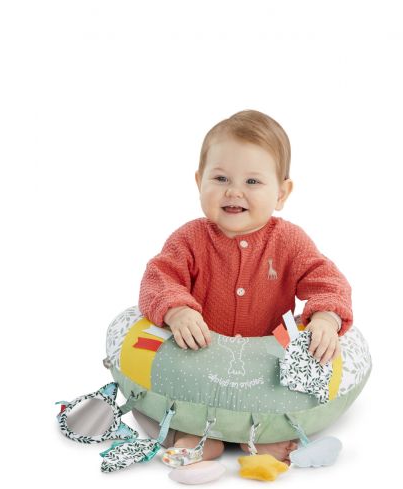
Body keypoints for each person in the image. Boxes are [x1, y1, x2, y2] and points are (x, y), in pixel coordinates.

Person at [137, 109, 353, 464]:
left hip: (264, 370)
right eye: (220, 178)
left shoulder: (289, 241)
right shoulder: (189, 239)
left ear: (281, 193)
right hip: (200, 362)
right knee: (164, 387)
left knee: (276, 387)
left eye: (252, 182)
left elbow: (327, 280)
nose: (234, 191)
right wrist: (178, 310)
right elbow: (159, 277)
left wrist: (325, 318)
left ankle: (261, 433)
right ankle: (193, 433)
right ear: (199, 182)